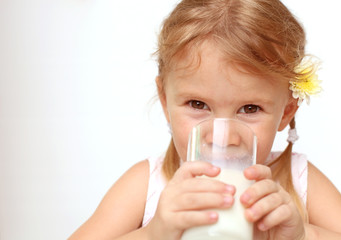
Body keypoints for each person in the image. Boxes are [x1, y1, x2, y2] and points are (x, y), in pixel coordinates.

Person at [69, 0, 341, 239]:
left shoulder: (299, 180)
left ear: (286, 112)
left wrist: (304, 236)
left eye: (250, 108)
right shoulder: (147, 184)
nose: (224, 138)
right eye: (198, 104)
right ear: (165, 101)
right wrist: (154, 234)